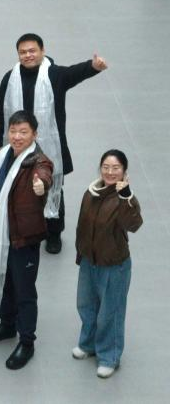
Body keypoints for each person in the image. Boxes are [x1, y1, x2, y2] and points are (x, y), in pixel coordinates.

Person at [0, 33, 108, 254]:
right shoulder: (10, 78)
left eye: (32, 50)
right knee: (20, 187)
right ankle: (23, 228)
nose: (28, 55)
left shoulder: (53, 74)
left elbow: (74, 73)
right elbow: (0, 109)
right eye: (23, 52)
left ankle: (54, 233)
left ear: (42, 50)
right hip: (18, 144)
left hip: (49, 146)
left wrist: (93, 66)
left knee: (52, 187)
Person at [0, 110, 53, 370]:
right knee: (6, 283)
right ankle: (8, 325)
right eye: (13, 131)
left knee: (24, 291)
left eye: (23, 132)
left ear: (35, 134)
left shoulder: (39, 161)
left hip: (23, 239)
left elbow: (45, 174)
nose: (17, 137)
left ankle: (27, 342)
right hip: (1, 235)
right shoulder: (4, 155)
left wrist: (42, 186)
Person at [72, 150, 142, 379]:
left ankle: (109, 356)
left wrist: (126, 196)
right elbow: (82, 226)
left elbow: (134, 224)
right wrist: (81, 254)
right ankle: (88, 343)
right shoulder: (90, 193)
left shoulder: (124, 198)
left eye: (116, 168)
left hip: (114, 265)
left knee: (110, 312)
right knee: (86, 305)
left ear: (124, 171)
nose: (110, 172)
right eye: (106, 167)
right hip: (89, 261)